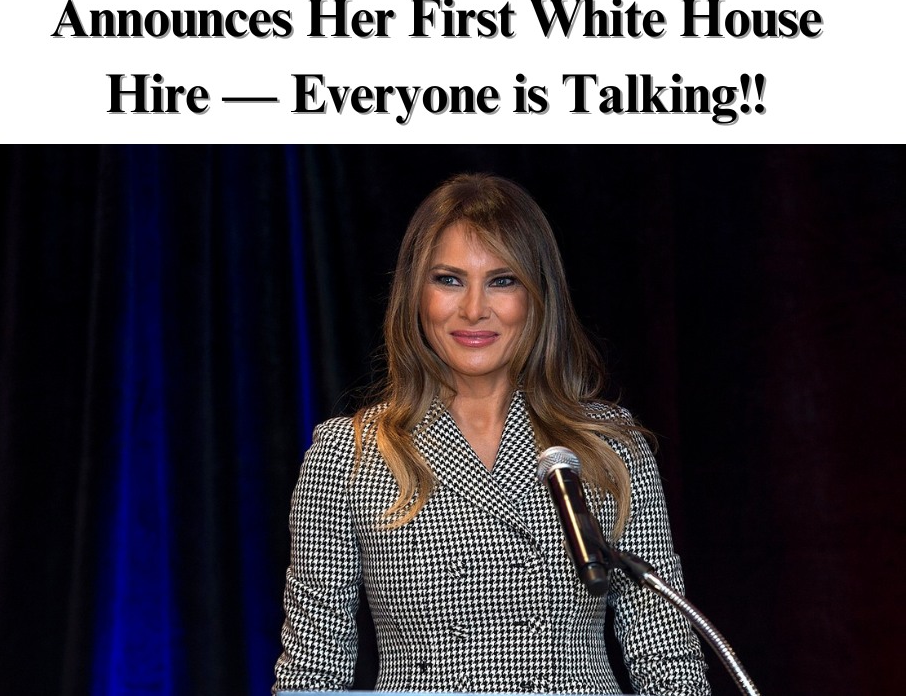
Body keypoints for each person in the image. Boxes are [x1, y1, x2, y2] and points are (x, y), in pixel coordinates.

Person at [272, 174, 710, 695]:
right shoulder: (350, 453)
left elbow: (668, 658)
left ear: (537, 296)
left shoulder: (605, 448)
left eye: (502, 280)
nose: (474, 308)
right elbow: (312, 673)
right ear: (415, 294)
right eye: (449, 280)